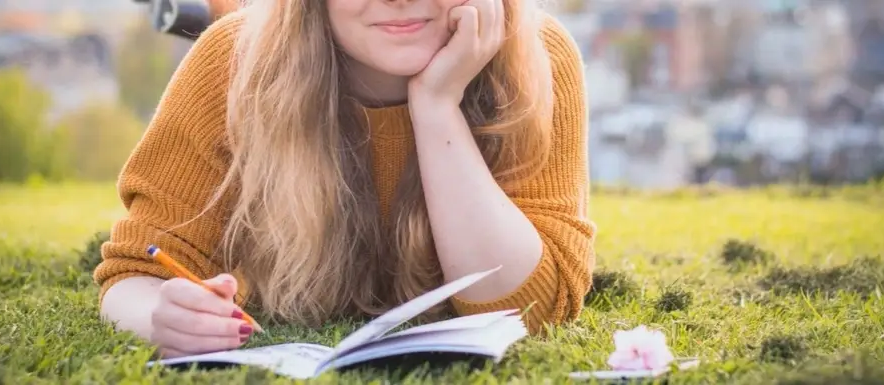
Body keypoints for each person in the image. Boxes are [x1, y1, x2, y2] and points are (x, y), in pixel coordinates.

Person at [95, 0, 597, 359]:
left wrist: (438, 106)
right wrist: (162, 314)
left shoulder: (537, 56)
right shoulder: (232, 59)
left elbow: (531, 309)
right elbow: (137, 271)